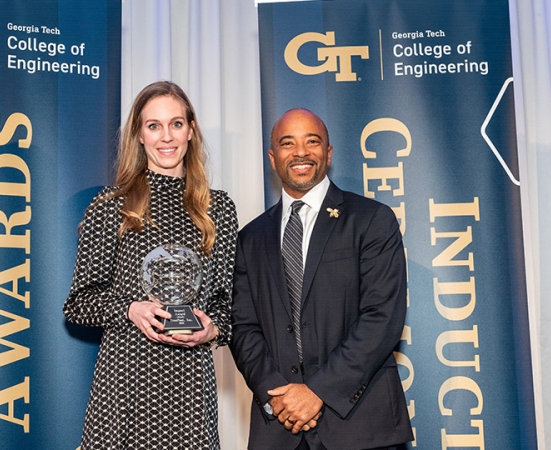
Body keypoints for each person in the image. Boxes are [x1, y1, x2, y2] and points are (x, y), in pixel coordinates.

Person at [63, 81, 238, 450]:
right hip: (125, 384)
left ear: (191, 130)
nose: (166, 137)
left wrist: (211, 331)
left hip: (190, 387)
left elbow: (226, 305)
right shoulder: (111, 206)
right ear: (139, 136)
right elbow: (78, 304)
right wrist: (131, 309)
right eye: (153, 125)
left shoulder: (219, 208)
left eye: (176, 123)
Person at [230, 108, 413, 450]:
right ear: (273, 157)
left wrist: (316, 392)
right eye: (288, 143)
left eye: (311, 141)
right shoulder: (250, 238)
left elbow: (382, 319)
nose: (300, 152)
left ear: (328, 153)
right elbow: (242, 327)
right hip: (279, 427)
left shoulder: (372, 220)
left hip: (360, 426)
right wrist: (280, 397)